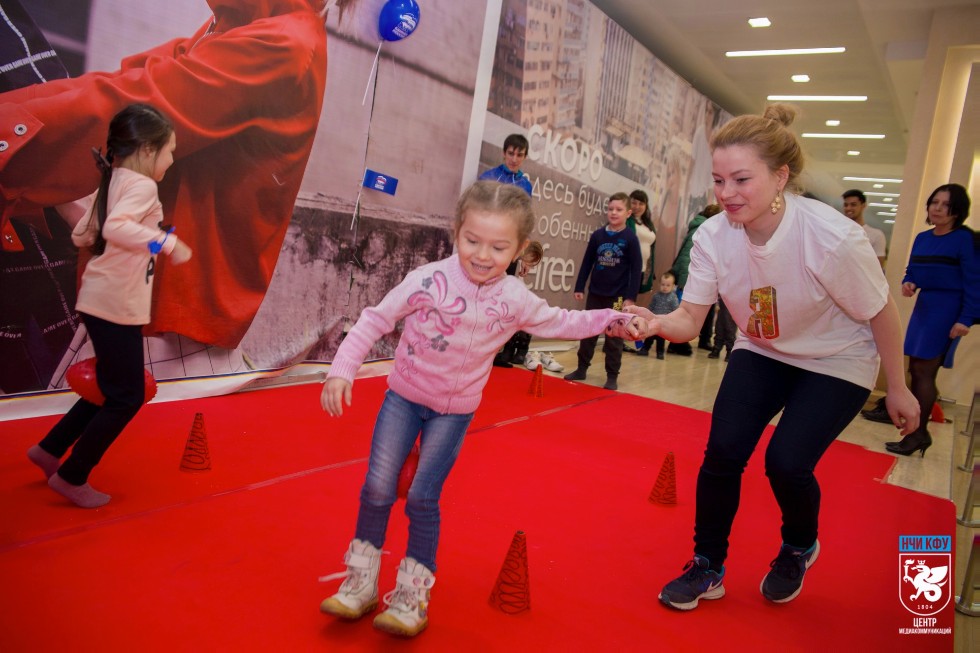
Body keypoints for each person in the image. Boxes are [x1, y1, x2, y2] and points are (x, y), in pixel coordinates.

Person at [614, 103, 918, 610]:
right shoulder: (713, 236)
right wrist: (656, 323)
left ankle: (798, 546)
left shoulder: (831, 237)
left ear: (780, 177)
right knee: (723, 452)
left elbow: (881, 312)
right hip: (763, 347)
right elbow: (690, 320)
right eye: (718, 180)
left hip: (837, 358)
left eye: (741, 180)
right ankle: (708, 565)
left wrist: (900, 388)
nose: (727, 193)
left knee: (786, 462)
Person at [318, 181, 643, 637]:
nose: (483, 255)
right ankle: (361, 582)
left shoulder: (514, 298)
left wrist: (613, 319)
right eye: (472, 240)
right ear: (456, 231)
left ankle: (412, 596)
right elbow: (377, 318)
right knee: (377, 487)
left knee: (422, 497)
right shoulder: (429, 279)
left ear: (520, 249)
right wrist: (342, 369)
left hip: (453, 414)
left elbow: (563, 320)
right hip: (403, 399)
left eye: (499, 246)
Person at [1, 0, 359, 361]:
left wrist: (9, 136)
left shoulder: (281, 43)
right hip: (150, 298)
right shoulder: (248, 27)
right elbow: (126, 81)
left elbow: (135, 108)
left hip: (170, 322)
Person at [26, 104, 192, 508]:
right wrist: (165, 242)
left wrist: (128, 236)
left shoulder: (114, 179)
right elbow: (115, 227)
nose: (171, 160)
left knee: (110, 386)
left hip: (99, 298)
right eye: (169, 151)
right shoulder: (141, 186)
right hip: (116, 304)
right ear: (148, 150)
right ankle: (72, 475)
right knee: (127, 397)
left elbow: (84, 234)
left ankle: (50, 449)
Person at [884, 183, 977, 456]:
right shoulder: (923, 237)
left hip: (949, 308)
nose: (937, 208)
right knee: (915, 368)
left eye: (945, 204)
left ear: (957, 210)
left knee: (924, 370)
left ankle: (917, 433)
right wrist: (909, 281)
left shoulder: (965, 239)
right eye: (934, 202)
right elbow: (912, 269)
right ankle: (918, 432)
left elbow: (975, 282)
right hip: (925, 306)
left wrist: (966, 319)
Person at [563, 192, 643, 390]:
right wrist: (580, 286)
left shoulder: (630, 239)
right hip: (595, 294)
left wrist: (630, 297)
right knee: (588, 331)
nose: (613, 213)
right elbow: (587, 262)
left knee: (614, 337)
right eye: (610, 209)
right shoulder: (598, 235)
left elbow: (636, 270)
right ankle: (581, 368)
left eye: (619, 209)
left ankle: (612, 376)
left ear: (628, 213)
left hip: (617, 297)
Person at [483, 134, 538, 368]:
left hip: (509, 249)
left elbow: (523, 222)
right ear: (504, 153)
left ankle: (500, 350)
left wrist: (523, 255)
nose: (514, 158)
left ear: (525, 157)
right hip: (486, 246)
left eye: (519, 155)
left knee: (502, 297)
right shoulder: (488, 177)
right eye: (511, 153)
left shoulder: (525, 185)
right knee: (482, 295)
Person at [669, 204, 722, 355]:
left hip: (694, 277)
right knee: (689, 312)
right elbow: (687, 257)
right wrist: (684, 280)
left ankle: (702, 340)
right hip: (691, 278)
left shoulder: (699, 227)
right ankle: (679, 343)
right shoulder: (703, 230)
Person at [637, 271, 680, 359]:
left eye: (668, 285)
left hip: (663, 324)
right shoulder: (656, 296)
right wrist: (647, 316)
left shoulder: (673, 298)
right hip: (653, 321)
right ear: (659, 284)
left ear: (673, 286)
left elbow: (676, 310)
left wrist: (673, 321)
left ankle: (660, 353)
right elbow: (651, 306)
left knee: (661, 340)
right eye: (663, 284)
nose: (665, 287)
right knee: (649, 336)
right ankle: (645, 349)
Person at [842, 189, 887, 267]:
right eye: (846, 205)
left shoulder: (876, 235)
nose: (848, 208)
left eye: (853, 205)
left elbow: (878, 266)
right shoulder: (839, 231)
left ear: (863, 205)